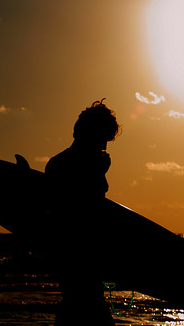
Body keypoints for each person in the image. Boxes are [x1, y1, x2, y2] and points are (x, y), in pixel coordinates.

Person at [45, 99, 120, 326]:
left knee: (74, 308)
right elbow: (81, 210)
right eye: (104, 140)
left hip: (76, 259)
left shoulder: (59, 162)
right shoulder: (79, 164)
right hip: (79, 256)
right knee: (83, 309)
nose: (105, 147)